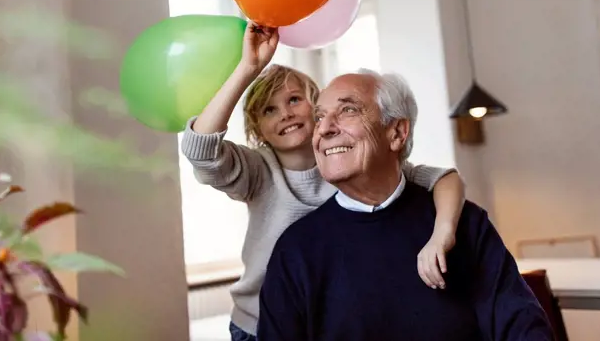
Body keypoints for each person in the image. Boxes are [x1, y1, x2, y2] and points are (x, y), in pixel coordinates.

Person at [180, 23, 468, 340]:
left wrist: (442, 233)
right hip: (260, 324)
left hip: (327, 318)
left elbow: (444, 179)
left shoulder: (351, 164)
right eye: (269, 110)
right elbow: (200, 150)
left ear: (318, 109)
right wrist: (248, 68)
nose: (285, 114)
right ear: (258, 129)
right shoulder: (258, 170)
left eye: (293, 100)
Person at [257, 70, 553, 341]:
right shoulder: (295, 249)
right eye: (320, 117)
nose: (324, 130)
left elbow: (523, 328)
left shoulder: (465, 224)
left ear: (396, 133)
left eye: (348, 110)